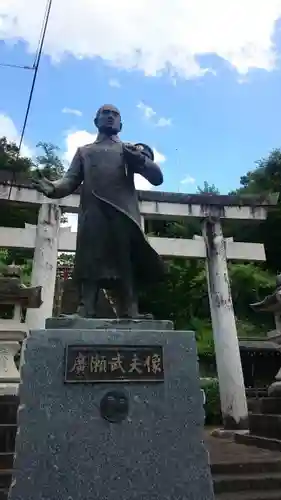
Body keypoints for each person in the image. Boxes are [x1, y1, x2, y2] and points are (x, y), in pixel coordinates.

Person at [32, 104, 165, 318]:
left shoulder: (129, 150)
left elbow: (156, 178)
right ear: (96, 121)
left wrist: (140, 159)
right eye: (105, 113)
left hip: (123, 213)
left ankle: (131, 309)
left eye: (115, 114)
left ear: (121, 124)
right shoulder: (84, 152)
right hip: (93, 211)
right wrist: (53, 187)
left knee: (126, 261)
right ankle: (86, 308)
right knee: (89, 259)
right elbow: (70, 180)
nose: (110, 117)